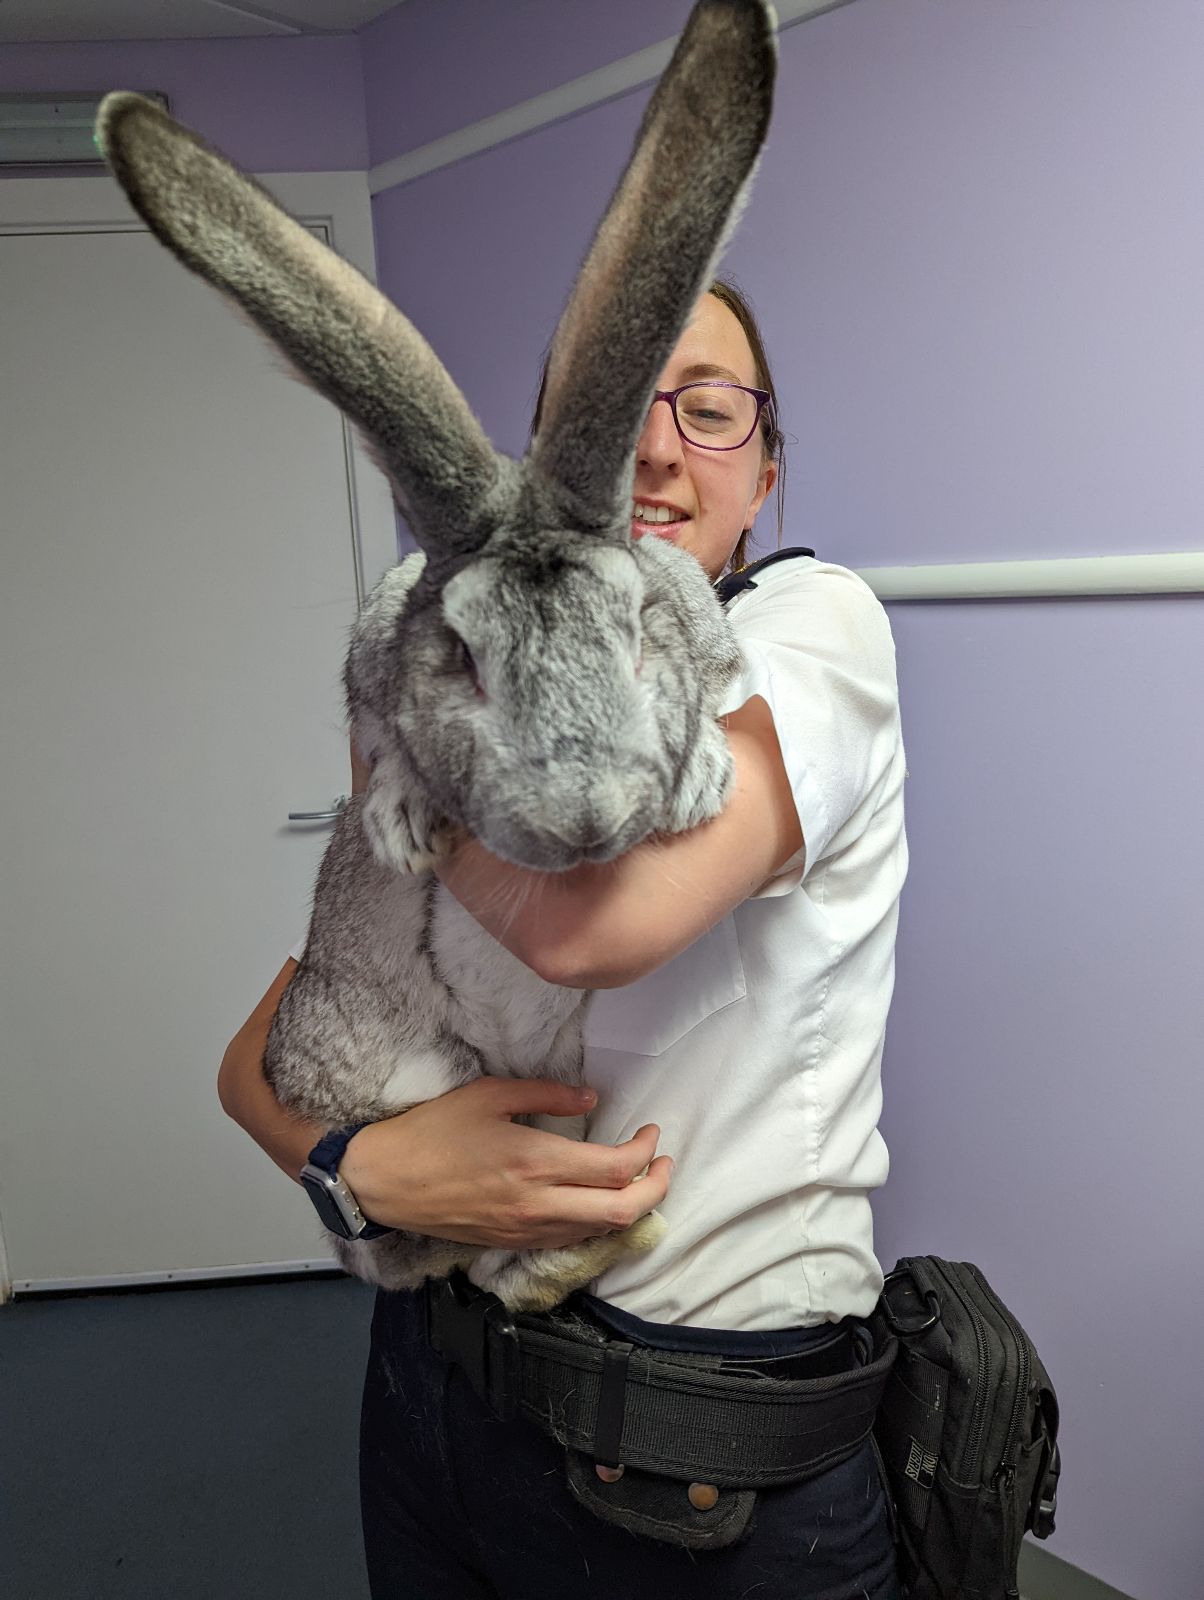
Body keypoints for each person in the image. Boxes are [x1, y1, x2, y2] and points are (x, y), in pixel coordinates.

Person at [218, 278, 908, 1598]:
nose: (653, 448)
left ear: (763, 475)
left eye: (708, 414)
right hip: (432, 1379)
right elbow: (262, 1052)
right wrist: (362, 1168)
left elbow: (597, 927)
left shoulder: (811, 634)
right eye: (611, 416)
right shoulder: (460, 649)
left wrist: (414, 716)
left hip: (689, 1449)